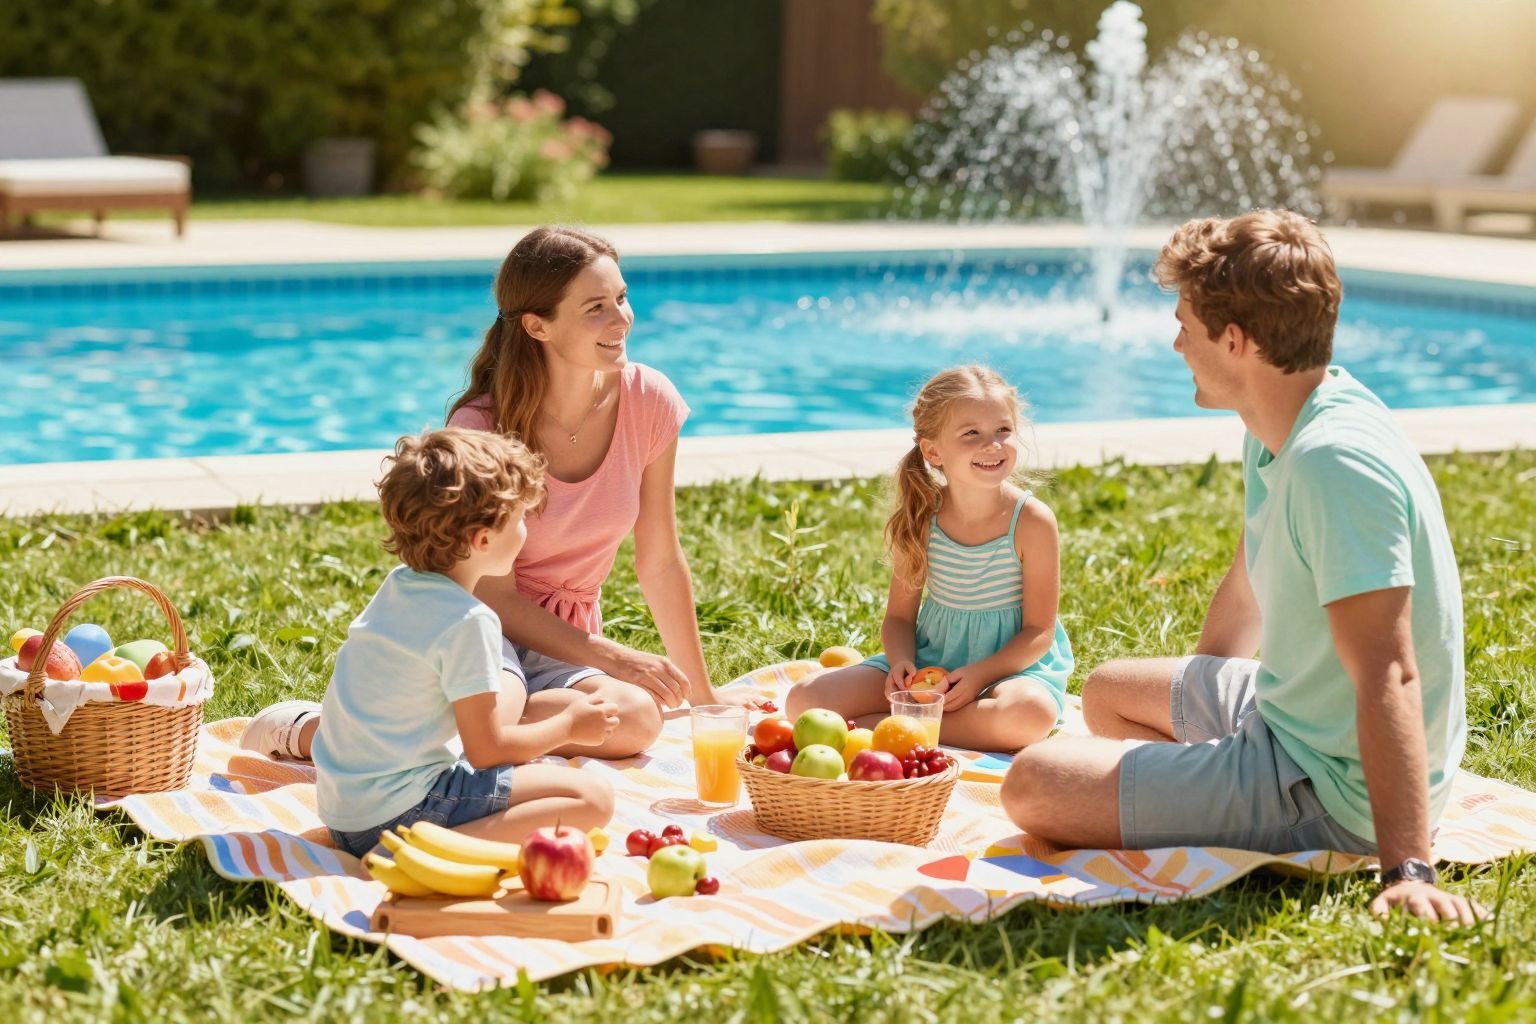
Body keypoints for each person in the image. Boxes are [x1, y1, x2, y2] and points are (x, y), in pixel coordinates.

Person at [1000, 210, 1482, 924]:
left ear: (1234, 340)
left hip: (1328, 782)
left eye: (1185, 326)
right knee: (1107, 693)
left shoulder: (1333, 462)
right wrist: (1206, 747)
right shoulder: (1284, 418)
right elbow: (1252, 572)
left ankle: (1286, 817)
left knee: (1033, 785)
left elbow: (1390, 669)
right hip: (1290, 715)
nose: (1174, 343)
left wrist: (1408, 867)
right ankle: (1216, 790)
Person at [242, 226, 758, 766]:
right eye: (595, 308)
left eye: (622, 298)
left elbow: (659, 558)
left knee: (635, 719)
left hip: (566, 642)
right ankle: (313, 731)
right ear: (538, 325)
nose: (621, 318)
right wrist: (616, 658)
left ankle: (458, 727)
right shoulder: (483, 430)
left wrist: (704, 695)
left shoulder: (649, 400)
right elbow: (492, 595)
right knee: (550, 711)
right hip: (473, 630)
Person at [281, 428, 614, 857]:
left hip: (345, 816)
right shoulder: (467, 620)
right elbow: (488, 751)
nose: (526, 531)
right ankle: (421, 853)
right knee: (592, 799)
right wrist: (569, 727)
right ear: (482, 540)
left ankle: (417, 843)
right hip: (399, 817)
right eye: (519, 520)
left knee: (549, 783)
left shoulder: (399, 586)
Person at [785, 365, 1074, 752]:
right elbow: (900, 617)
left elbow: (1038, 633)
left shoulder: (1032, 522)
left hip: (1008, 670)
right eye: (972, 434)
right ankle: (928, 721)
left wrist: (976, 676)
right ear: (933, 450)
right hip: (929, 662)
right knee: (802, 700)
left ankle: (892, 727)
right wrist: (902, 662)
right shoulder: (923, 517)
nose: (993, 444)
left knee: (1029, 715)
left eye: (1003, 430)